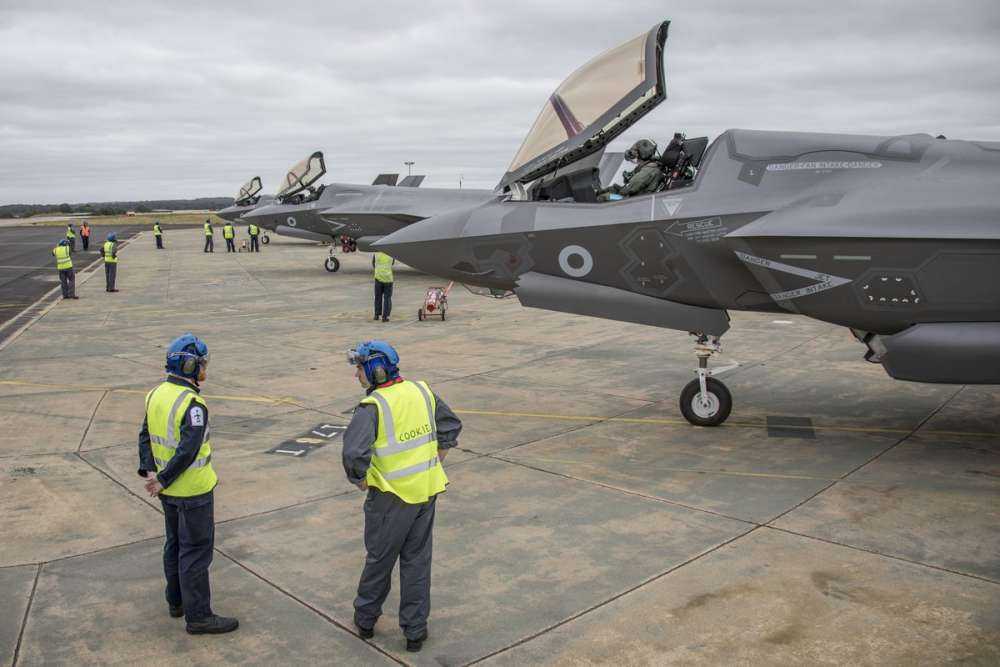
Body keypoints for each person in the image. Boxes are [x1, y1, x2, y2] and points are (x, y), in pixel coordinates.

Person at [342, 340, 461, 653]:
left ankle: (366, 620)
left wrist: (360, 481)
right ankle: (415, 632)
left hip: (390, 499)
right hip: (426, 493)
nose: (357, 375)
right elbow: (450, 424)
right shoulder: (422, 391)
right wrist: (437, 458)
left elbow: (354, 454)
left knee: (379, 561)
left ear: (375, 370)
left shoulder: (373, 407)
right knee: (417, 563)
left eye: (359, 368)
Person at [137, 334, 239, 635]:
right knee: (195, 551)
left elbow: (144, 434)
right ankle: (199, 617)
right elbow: (189, 447)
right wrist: (164, 478)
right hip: (192, 490)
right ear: (190, 365)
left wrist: (149, 470)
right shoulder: (193, 404)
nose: (205, 370)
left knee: (174, 544)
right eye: (202, 364)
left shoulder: (156, 393)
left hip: (167, 492)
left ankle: (176, 601)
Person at [598, 139, 663, 200]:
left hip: (631, 201)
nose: (635, 158)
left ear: (642, 154)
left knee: (604, 197)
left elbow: (627, 190)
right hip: (632, 196)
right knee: (611, 189)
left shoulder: (647, 171)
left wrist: (626, 184)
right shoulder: (649, 166)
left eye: (636, 153)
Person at [372, 252, 395, 322]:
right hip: (388, 279)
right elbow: (392, 263)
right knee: (387, 298)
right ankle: (385, 317)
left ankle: (376, 315)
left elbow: (373, 264)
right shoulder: (391, 253)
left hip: (378, 278)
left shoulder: (376, 254)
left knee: (378, 297)